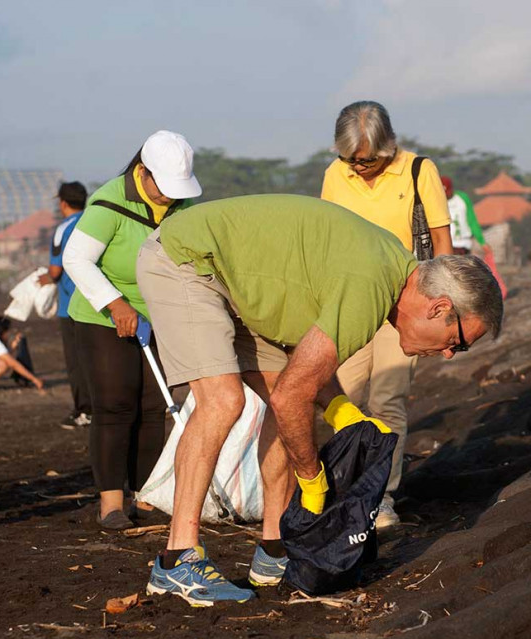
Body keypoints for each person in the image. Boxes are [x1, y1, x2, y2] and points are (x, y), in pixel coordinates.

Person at [137, 193, 502, 606]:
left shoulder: (388, 274)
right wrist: (313, 480)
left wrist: (343, 412)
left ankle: (274, 547)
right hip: (187, 259)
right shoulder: (371, 287)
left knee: (286, 403)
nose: (450, 354)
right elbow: (293, 393)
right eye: (458, 342)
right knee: (223, 400)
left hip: (236, 284)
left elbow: (301, 375)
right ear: (439, 308)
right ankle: (177, 559)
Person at [320, 101, 453, 529]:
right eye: (351, 160)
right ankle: (344, 490)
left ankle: (381, 497)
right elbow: (326, 239)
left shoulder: (418, 171)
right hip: (350, 302)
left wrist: (443, 303)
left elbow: (441, 242)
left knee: (387, 399)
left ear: (388, 147)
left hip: (405, 304)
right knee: (344, 395)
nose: (359, 168)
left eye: (368, 160)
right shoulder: (334, 174)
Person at [63, 130, 201, 530]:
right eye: (165, 187)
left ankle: (147, 496)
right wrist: (115, 303)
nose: (170, 197)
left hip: (159, 314)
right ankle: (111, 504)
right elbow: (76, 259)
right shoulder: (109, 202)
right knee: (115, 405)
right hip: (103, 317)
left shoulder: (182, 206)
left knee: (154, 408)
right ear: (143, 172)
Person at [37, 181, 91, 430]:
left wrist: (45, 278)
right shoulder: (94, 221)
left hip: (72, 305)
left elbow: (56, 270)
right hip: (100, 302)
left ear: (63, 203)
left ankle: (84, 411)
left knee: (77, 362)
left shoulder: (63, 229)